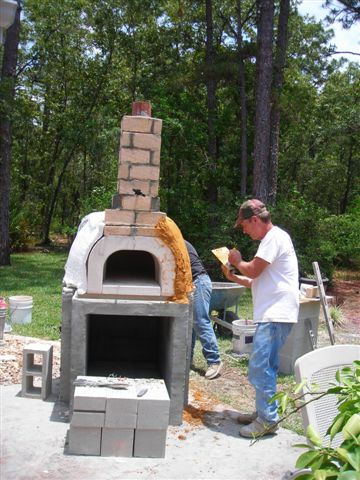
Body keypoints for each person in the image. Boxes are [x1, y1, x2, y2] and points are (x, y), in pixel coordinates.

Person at [221, 199, 299, 437]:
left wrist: (237, 261)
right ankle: (263, 412)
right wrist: (233, 275)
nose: (244, 230)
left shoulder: (273, 238)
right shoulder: (273, 240)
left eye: (244, 225)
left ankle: (267, 420)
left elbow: (253, 270)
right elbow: (255, 280)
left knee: (260, 366)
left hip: (276, 313)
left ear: (254, 220)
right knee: (265, 366)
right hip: (275, 313)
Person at [185, 240, 223, 380]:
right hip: (192, 283)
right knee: (190, 324)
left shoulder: (175, 242)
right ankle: (186, 361)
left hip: (198, 281)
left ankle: (214, 361)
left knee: (200, 321)